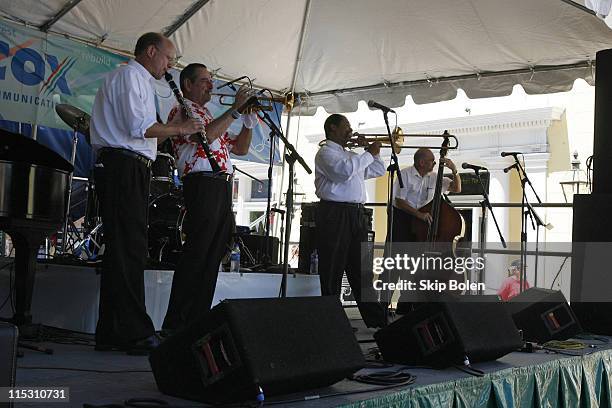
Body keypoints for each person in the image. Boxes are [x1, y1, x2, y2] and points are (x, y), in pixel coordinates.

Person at [90, 32, 203, 353]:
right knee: (130, 248)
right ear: (151, 51)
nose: (171, 66)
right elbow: (139, 128)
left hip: (129, 165)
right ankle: (136, 332)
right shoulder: (130, 76)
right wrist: (182, 129)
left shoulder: (136, 80)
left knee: (121, 249)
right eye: (169, 58)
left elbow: (148, 133)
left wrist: (177, 123)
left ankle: (110, 331)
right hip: (123, 166)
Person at [162, 63, 258, 333]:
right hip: (202, 184)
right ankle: (176, 322)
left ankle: (196, 319)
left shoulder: (207, 113)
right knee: (198, 253)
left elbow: (240, 148)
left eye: (210, 80)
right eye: (204, 80)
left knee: (213, 254)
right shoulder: (183, 109)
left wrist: (248, 122)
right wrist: (235, 109)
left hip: (221, 185)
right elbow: (205, 136)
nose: (211, 85)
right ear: (188, 85)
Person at [314, 114, 387, 328]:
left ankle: (377, 323)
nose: (350, 130)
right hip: (334, 213)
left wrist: (374, 154)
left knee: (362, 270)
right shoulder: (325, 153)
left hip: (357, 214)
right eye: (346, 126)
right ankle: (331, 323)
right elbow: (343, 172)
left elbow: (378, 170)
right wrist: (367, 153)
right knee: (332, 269)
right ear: (333, 128)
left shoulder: (351, 155)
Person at [387, 148, 461, 310]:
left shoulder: (435, 177)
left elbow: (456, 189)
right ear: (421, 162)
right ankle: (383, 306)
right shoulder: (405, 174)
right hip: (403, 220)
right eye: (432, 161)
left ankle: (406, 307)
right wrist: (419, 215)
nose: (435, 163)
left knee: (413, 269)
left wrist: (454, 170)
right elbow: (400, 201)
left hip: (422, 226)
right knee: (395, 265)